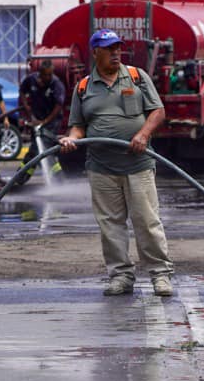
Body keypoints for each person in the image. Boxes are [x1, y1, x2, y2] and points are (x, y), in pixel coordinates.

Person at [59, 29, 174, 297]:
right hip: (101, 167)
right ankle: (121, 276)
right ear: (95, 52)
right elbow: (78, 126)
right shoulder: (84, 86)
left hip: (138, 165)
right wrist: (71, 139)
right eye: (109, 49)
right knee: (110, 225)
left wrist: (144, 133)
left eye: (118, 48)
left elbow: (158, 111)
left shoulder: (136, 76)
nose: (115, 53)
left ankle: (160, 275)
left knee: (146, 221)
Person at [19, 58, 68, 177]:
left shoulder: (57, 84)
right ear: (40, 73)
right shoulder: (31, 80)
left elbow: (58, 106)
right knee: (43, 149)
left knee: (39, 147)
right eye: (45, 74)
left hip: (52, 121)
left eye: (50, 74)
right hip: (37, 119)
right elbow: (22, 91)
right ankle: (58, 178)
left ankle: (20, 177)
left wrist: (45, 121)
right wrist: (27, 107)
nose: (48, 77)